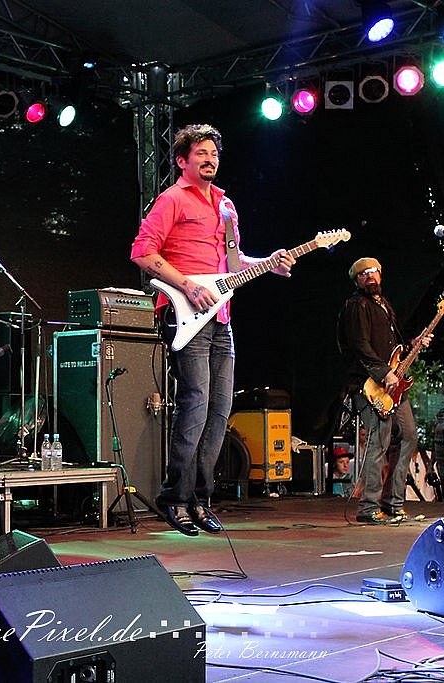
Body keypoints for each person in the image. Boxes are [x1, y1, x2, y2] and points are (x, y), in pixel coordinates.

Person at [130, 123, 295, 536]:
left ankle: (201, 500)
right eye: (201, 153)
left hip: (221, 320)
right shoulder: (172, 199)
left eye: (214, 154)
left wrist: (269, 263)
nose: (210, 160)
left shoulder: (226, 205)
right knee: (196, 404)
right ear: (182, 161)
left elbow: (233, 265)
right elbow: (143, 252)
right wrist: (187, 285)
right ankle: (174, 498)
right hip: (185, 313)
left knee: (220, 411)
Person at [337, 257, 430, 524]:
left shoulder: (384, 305)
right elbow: (359, 345)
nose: (370, 276)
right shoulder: (356, 305)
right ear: (356, 280)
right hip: (369, 385)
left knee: (408, 435)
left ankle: (393, 503)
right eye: (363, 274)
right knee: (378, 441)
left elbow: (391, 348)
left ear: (380, 274)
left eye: (374, 271)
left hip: (392, 384)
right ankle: (368, 507)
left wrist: (412, 344)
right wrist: (383, 372)